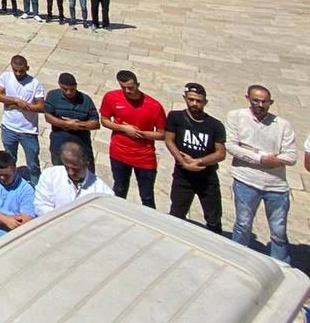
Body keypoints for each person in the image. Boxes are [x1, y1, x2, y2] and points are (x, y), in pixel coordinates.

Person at [227, 84, 297, 264]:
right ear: (248, 99)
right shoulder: (236, 116)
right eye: (256, 100)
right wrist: (261, 158)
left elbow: (291, 157)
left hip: (276, 186)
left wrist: (248, 150)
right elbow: (232, 147)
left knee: (279, 231)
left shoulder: (283, 125)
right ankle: (237, 261)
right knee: (243, 225)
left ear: (270, 103)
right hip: (246, 180)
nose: (260, 105)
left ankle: (282, 265)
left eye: (264, 102)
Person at [164, 82, 227, 234]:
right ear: (185, 98)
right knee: (177, 212)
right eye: (191, 99)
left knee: (213, 217)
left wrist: (197, 161)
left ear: (205, 102)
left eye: (198, 101)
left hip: (207, 177)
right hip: (182, 176)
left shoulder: (215, 125)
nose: (194, 104)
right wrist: (183, 163)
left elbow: (221, 153)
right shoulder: (175, 117)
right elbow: (169, 140)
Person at [99, 70, 165, 207]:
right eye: (123, 87)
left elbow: (162, 134)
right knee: (119, 189)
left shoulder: (154, 106)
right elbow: (104, 120)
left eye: (130, 87)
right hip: (119, 153)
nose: (127, 91)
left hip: (144, 157)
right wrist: (123, 128)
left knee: (147, 196)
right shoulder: (111, 97)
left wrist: (139, 133)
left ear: (137, 84)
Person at [0, 55, 45, 185]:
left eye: (21, 71)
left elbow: (41, 107)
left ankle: (36, 187)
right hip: (8, 127)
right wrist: (16, 101)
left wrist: (20, 106)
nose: (18, 73)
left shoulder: (34, 83)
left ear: (27, 68)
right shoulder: (6, 77)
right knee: (10, 161)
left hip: (28, 130)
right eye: (15, 70)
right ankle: (11, 184)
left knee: (33, 164)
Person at [33, 141, 114, 214]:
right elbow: (40, 206)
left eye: (75, 169)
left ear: (86, 164)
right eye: (67, 167)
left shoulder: (103, 193)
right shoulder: (50, 176)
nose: (71, 172)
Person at [42, 72, 99, 165]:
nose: (69, 92)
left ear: (76, 86)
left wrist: (78, 125)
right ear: (59, 85)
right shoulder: (52, 96)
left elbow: (95, 123)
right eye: (65, 89)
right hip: (59, 146)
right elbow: (48, 117)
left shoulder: (86, 100)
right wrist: (66, 124)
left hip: (81, 147)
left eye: (72, 89)